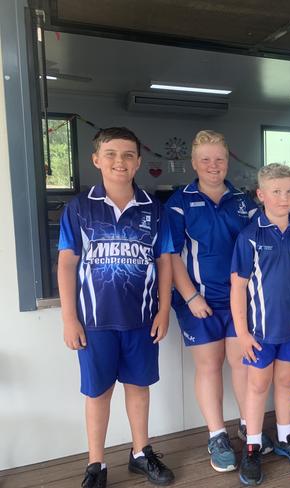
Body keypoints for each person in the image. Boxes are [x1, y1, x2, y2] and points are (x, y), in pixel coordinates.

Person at [58, 127, 175, 488]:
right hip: (94, 322)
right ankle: (96, 464)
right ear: (96, 159)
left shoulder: (154, 209)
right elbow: (66, 263)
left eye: (127, 155)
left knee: (139, 387)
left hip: (141, 320)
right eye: (110, 154)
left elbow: (165, 261)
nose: (119, 161)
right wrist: (68, 318)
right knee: (98, 392)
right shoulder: (79, 208)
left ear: (138, 161)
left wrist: (164, 308)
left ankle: (141, 453)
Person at [165, 130, 273, 473]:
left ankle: (247, 424)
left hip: (237, 303)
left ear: (229, 161)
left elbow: (260, 244)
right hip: (199, 302)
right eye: (206, 159)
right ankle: (216, 434)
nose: (213, 165)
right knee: (209, 366)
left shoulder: (243, 201)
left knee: (241, 364)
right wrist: (190, 295)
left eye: (220, 159)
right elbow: (170, 256)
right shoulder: (179, 202)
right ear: (194, 163)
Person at [231, 163, 290, 486]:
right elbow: (237, 287)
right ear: (261, 194)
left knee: (285, 384)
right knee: (257, 387)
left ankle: (285, 438)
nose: (283, 198)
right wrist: (241, 332)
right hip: (259, 333)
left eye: (288, 191)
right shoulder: (250, 236)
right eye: (276, 191)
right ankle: (252, 447)